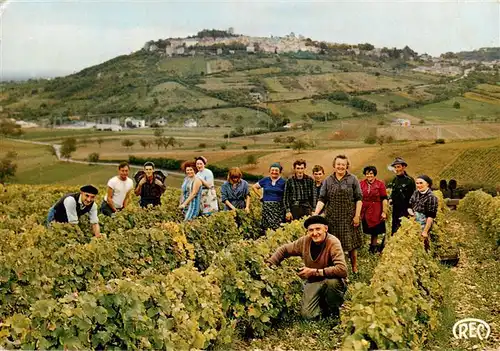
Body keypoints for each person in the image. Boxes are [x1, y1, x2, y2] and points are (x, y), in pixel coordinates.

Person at [267, 215, 347, 319]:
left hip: (331, 280)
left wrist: (314, 272)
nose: (315, 233)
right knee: (307, 315)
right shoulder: (305, 241)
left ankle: (333, 309)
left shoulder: (333, 242)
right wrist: (269, 264)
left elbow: (342, 270)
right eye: (311, 230)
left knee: (332, 283)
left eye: (318, 229)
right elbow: (285, 249)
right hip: (314, 281)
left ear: (325, 229)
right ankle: (322, 304)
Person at [313, 155, 363, 274]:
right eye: (338, 164)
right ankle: (336, 269)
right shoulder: (328, 180)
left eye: (343, 164)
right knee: (333, 245)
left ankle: (354, 267)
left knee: (351, 244)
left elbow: (359, 199)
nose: (340, 167)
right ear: (334, 165)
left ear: (347, 166)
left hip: (349, 217)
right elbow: (322, 199)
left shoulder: (353, 179)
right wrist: (316, 214)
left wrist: (357, 216)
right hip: (332, 219)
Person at [360, 166, 388, 254]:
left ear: (374, 174)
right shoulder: (361, 184)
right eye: (367, 173)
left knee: (374, 230)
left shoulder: (380, 184)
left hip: (376, 209)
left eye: (371, 173)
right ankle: (361, 246)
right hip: (364, 209)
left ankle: (373, 247)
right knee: (362, 228)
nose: (369, 175)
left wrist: (384, 212)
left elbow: (384, 198)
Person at [252, 162, 286, 232]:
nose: (274, 172)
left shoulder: (283, 182)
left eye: (276, 170)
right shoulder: (265, 180)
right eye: (272, 170)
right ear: (269, 171)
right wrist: (260, 196)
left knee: (277, 227)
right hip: (266, 208)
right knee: (266, 227)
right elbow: (254, 187)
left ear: (280, 172)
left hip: (278, 209)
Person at [408, 175, 439, 251]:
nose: (418, 185)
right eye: (417, 183)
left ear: (427, 184)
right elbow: (409, 205)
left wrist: (425, 231)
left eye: (421, 183)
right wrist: (411, 212)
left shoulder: (431, 197)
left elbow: (431, 216)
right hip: (414, 221)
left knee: (424, 245)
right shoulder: (415, 193)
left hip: (424, 223)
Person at [387, 157, 416, 234]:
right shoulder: (394, 180)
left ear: (404, 167)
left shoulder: (409, 180)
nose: (397, 169)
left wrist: (410, 208)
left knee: (404, 230)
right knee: (395, 229)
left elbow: (413, 196)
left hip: (406, 209)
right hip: (396, 209)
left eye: (398, 167)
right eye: (395, 167)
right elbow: (392, 192)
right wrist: (390, 199)